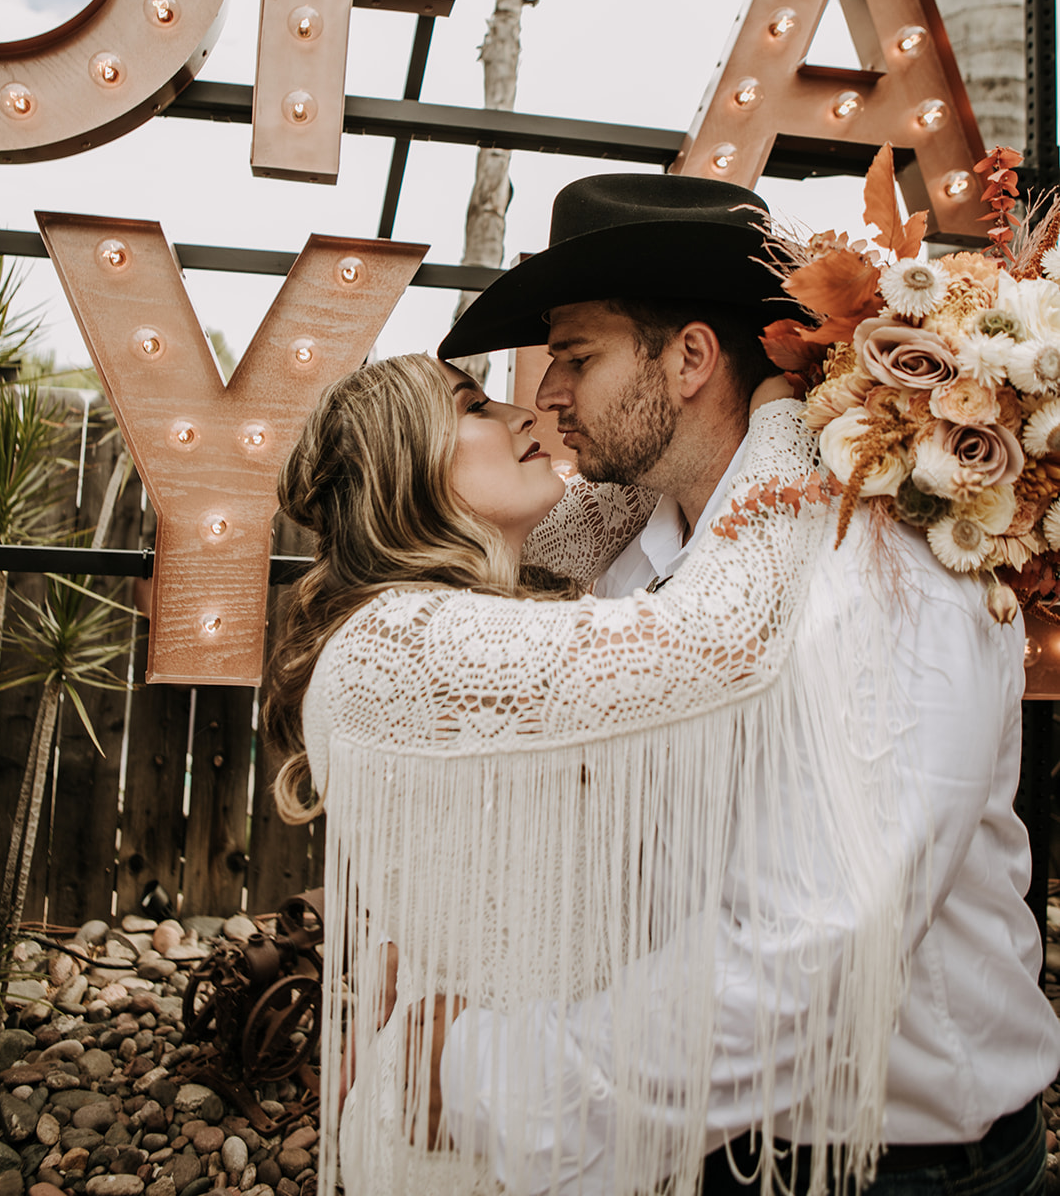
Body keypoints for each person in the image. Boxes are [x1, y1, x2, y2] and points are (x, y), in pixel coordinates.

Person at [262, 180, 906, 1196]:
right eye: (473, 408)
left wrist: (808, 378)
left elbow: (645, 473)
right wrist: (785, 415)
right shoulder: (398, 642)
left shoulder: (488, 589)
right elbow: (719, 631)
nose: (530, 408)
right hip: (473, 1113)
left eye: (568, 363)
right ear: (408, 474)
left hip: (570, 1095)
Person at [433, 172, 1060, 1196]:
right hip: (710, 1136)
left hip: (900, 1166)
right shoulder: (644, 544)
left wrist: (493, 1076)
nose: (543, 397)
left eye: (573, 358)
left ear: (685, 358)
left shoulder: (873, 569)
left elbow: (810, 946)